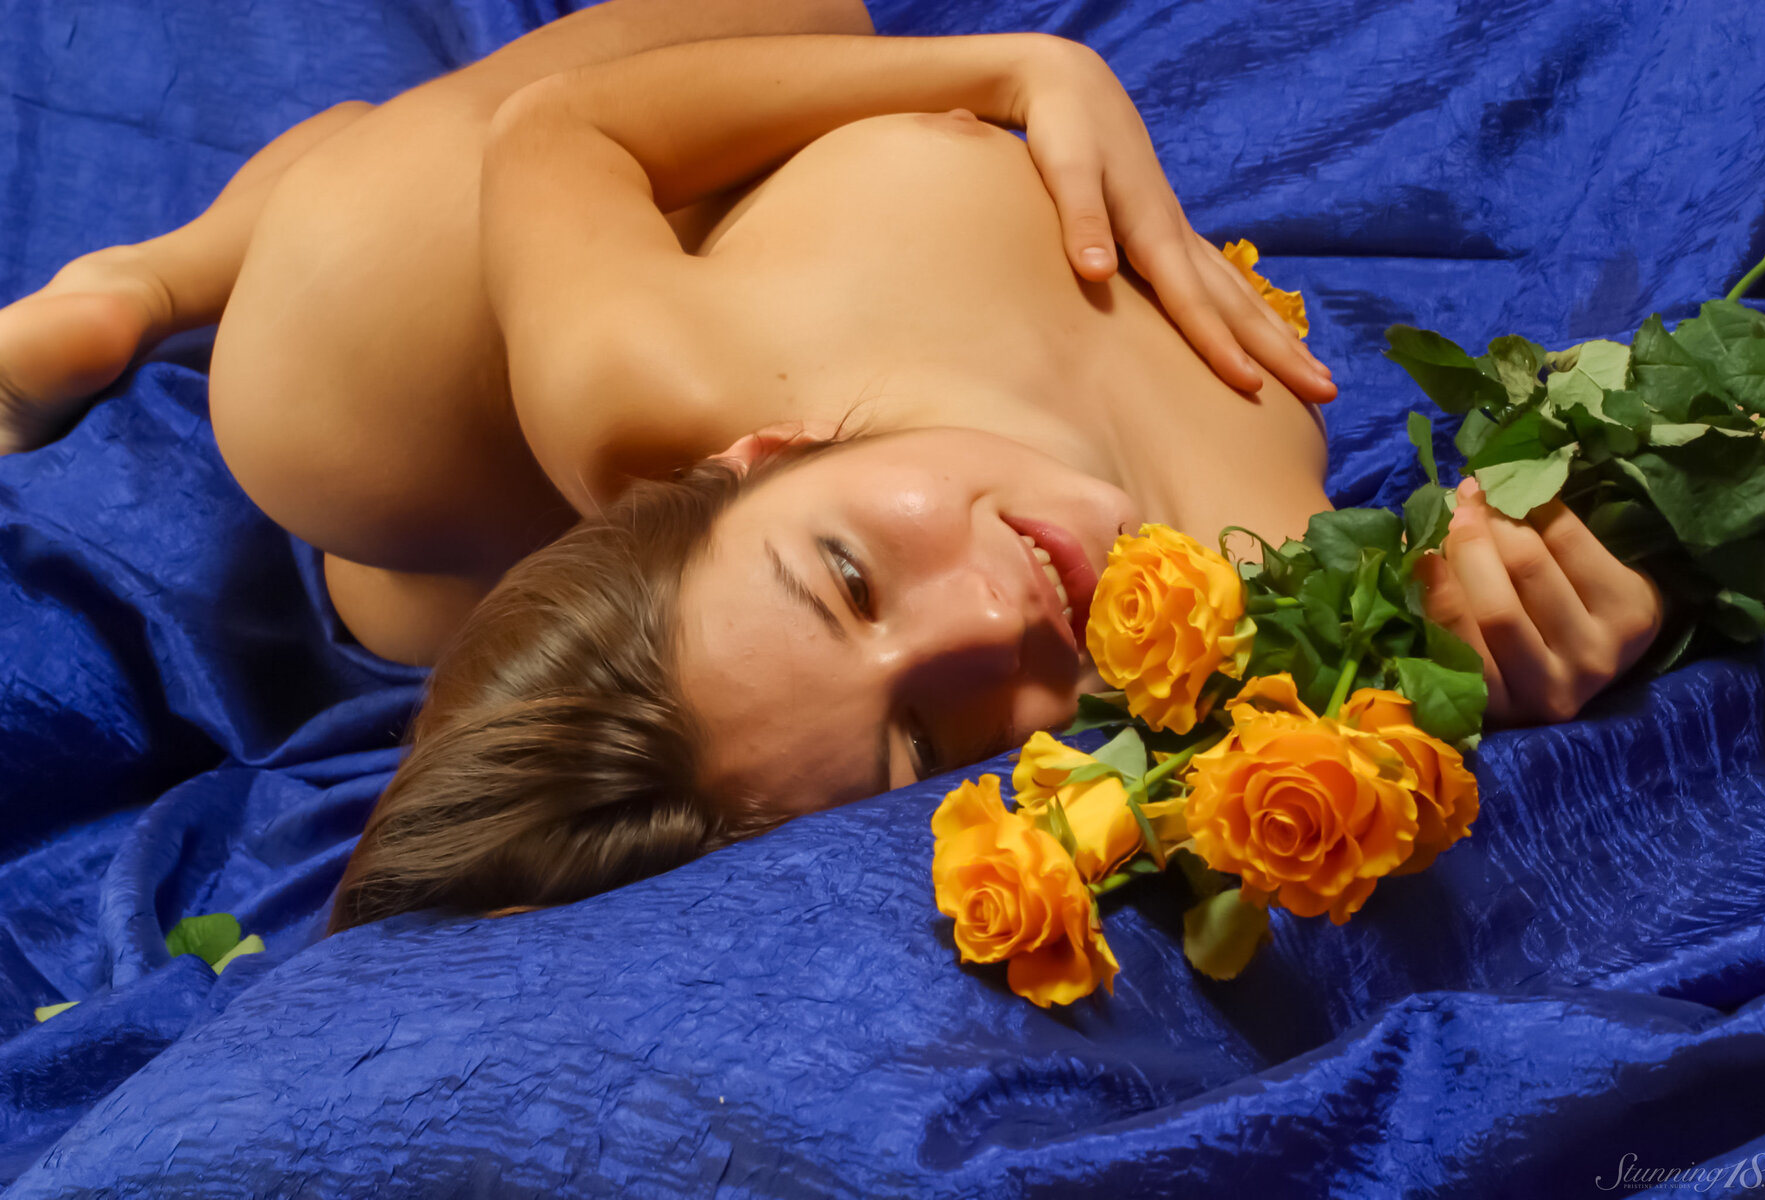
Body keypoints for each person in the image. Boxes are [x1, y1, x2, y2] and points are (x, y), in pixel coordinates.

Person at [0, 0, 1662, 930]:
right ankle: (189, 346)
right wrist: (1505, 635)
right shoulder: (1254, 615)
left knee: (785, 12)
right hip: (464, 455)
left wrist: (1025, 67)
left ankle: (153, 280)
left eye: (853, 576)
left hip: (367, 381)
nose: (993, 618)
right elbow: (1466, 637)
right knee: (400, 595)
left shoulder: (657, 382)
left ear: (764, 453)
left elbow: (561, 129)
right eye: (921, 737)